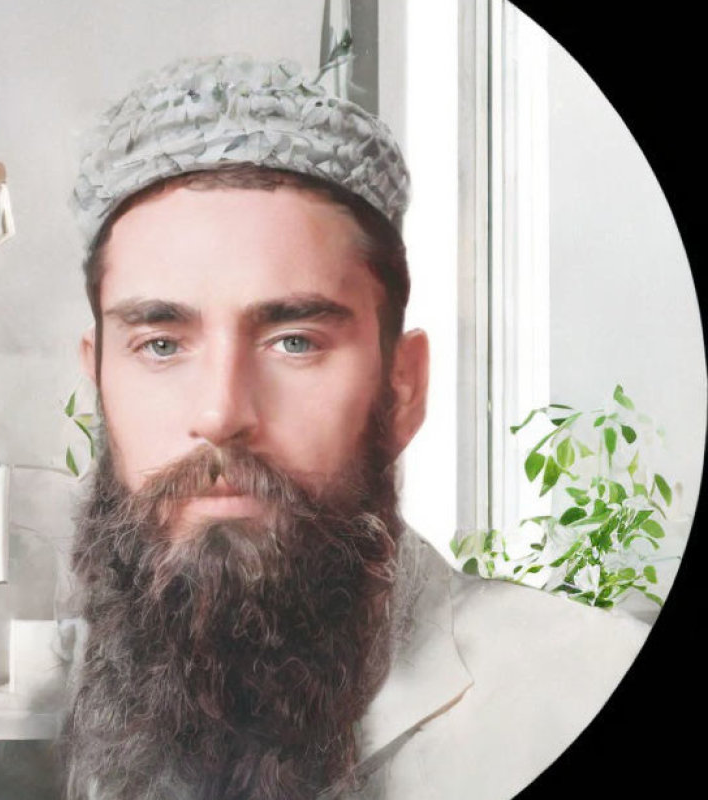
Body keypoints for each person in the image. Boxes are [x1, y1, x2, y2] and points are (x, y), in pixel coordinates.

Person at [60, 55, 648, 800]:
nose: (218, 414)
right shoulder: (112, 690)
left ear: (402, 388)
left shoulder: (578, 693)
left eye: (295, 340)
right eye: (162, 344)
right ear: (100, 381)